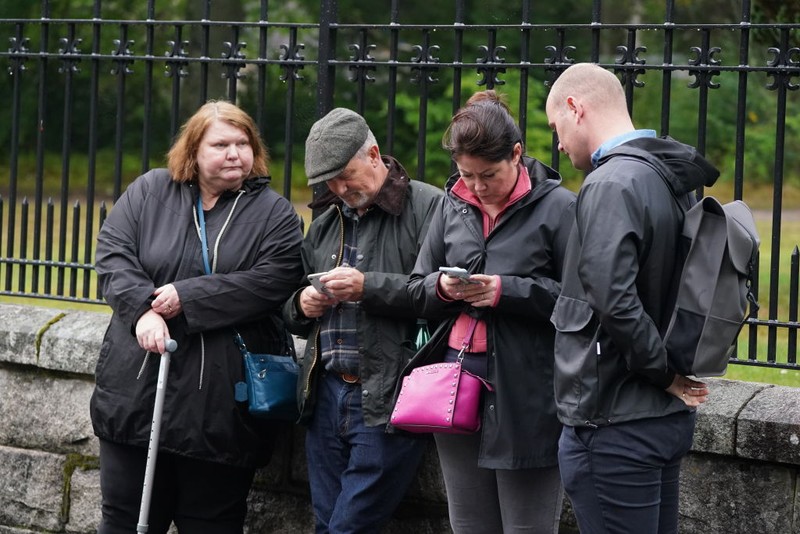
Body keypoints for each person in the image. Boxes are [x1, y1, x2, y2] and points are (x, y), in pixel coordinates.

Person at [91, 100, 304, 533]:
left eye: (243, 143)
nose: (234, 154)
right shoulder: (150, 191)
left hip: (219, 409)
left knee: (211, 522)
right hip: (137, 396)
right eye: (220, 145)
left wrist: (186, 297)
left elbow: (274, 279)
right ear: (193, 150)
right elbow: (113, 254)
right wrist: (142, 312)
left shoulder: (275, 214)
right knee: (125, 520)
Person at [545, 62, 716, 533]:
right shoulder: (667, 174)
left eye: (556, 127)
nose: (558, 144)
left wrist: (662, 374)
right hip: (658, 419)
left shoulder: (611, 182)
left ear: (576, 108)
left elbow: (613, 298)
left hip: (614, 423)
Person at [405, 90, 576, 533]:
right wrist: (441, 287)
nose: (477, 187)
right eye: (467, 174)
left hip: (529, 389)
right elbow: (416, 286)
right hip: (455, 382)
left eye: (488, 175)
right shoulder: (452, 203)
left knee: (527, 527)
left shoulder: (559, 207)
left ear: (516, 154)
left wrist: (506, 291)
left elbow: (579, 302)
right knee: (468, 524)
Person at [282, 107, 443, 533]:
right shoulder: (326, 222)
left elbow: (442, 294)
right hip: (324, 393)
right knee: (326, 525)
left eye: (345, 175)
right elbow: (289, 309)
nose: (338, 188)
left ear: (373, 154)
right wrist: (302, 304)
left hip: (389, 394)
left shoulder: (429, 206)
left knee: (346, 528)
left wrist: (367, 287)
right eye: (329, 182)